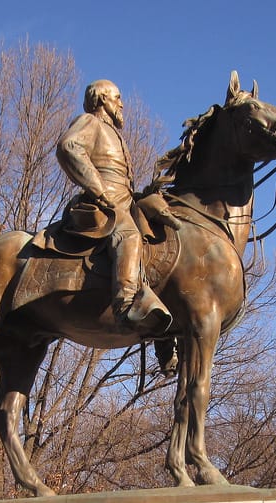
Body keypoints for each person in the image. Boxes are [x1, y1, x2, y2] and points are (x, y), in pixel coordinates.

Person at [56, 80, 173, 335]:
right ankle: (126, 305)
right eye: (117, 97)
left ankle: (166, 332)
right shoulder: (90, 122)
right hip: (105, 203)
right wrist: (97, 187)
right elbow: (69, 146)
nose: (122, 103)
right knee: (128, 235)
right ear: (102, 100)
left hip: (124, 201)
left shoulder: (114, 133)